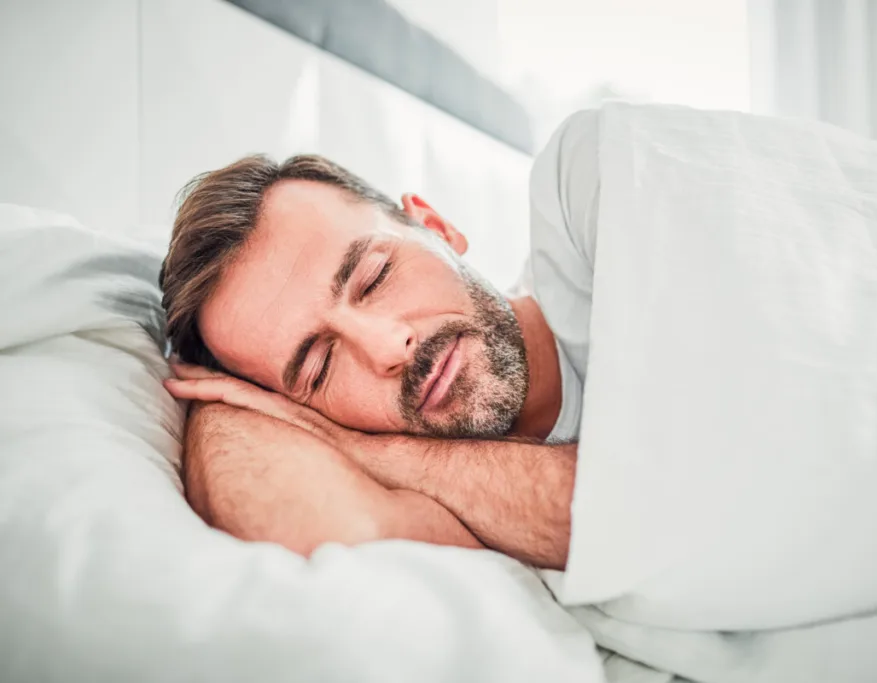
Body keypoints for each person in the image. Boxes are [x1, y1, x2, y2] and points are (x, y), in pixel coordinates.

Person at [160, 110, 602, 569]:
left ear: (437, 226)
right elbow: (325, 533)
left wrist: (364, 449)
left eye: (375, 279)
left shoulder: (595, 188)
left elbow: (651, 510)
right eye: (320, 367)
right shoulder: (444, 508)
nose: (389, 348)